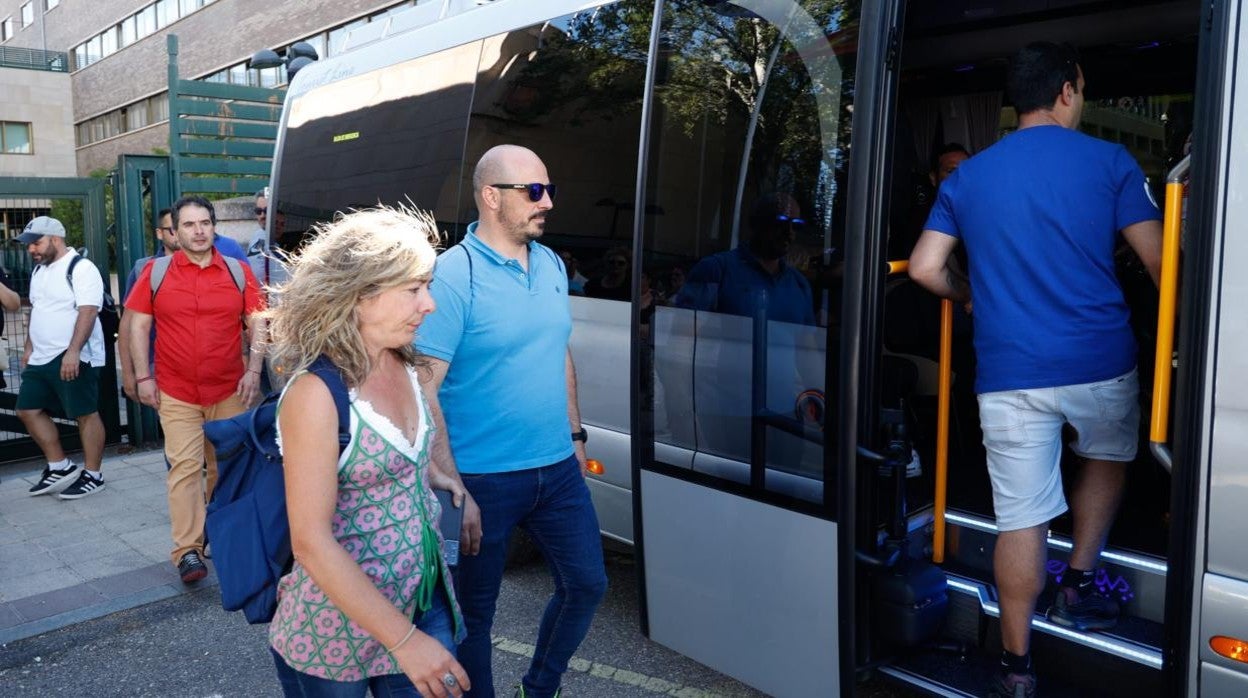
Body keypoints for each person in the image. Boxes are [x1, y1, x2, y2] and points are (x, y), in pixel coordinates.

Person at [908, 42, 1163, 698]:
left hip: (1007, 373)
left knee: (1020, 517)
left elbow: (924, 268)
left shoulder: (968, 178)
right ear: (1068, 91)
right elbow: (1164, 267)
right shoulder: (1109, 161)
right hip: (1100, 359)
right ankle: (1078, 584)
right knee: (1108, 456)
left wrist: (966, 295)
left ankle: (1017, 668)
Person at [417, 144, 607, 698]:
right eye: (533, 191)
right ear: (491, 197)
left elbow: (559, 354)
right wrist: (453, 483)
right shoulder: (453, 275)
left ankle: (539, 688)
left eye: (549, 189)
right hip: (480, 480)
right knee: (472, 615)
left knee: (588, 584)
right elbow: (424, 384)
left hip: (557, 469)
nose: (547, 202)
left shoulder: (550, 264)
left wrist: (574, 437)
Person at [265, 205, 471, 698]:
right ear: (359, 296)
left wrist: (430, 472)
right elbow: (310, 542)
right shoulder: (316, 394)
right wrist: (406, 641)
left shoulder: (410, 365)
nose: (430, 305)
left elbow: (394, 455)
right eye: (414, 289)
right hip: (332, 631)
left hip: (422, 598)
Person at [124, 196, 267, 584]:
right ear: (175, 231)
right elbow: (136, 326)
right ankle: (187, 551)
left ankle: (218, 535)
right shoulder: (156, 273)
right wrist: (142, 377)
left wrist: (255, 369)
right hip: (176, 390)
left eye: (204, 223)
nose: (198, 231)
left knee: (225, 468)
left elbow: (258, 322)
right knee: (185, 468)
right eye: (188, 225)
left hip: (230, 388)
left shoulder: (238, 272)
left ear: (213, 225)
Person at [16, 216, 109, 500]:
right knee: (26, 409)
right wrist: (30, 347)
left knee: (85, 413)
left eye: (36, 243)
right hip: (41, 356)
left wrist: (73, 352)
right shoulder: (39, 271)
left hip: (72, 355)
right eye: (29, 244)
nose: (31, 249)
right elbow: (37, 310)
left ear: (55, 239)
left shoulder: (80, 268)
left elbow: (88, 312)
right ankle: (60, 466)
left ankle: (93, 474)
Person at [673, 193, 816, 325]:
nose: (789, 232)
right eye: (781, 222)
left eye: (796, 225)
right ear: (757, 223)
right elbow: (684, 332)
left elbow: (808, 346)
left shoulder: (799, 284)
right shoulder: (716, 270)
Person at [119, 208, 180, 403]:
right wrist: (129, 375)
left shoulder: (208, 266)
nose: (178, 233)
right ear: (159, 233)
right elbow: (127, 325)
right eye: (172, 229)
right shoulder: (144, 269)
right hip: (158, 366)